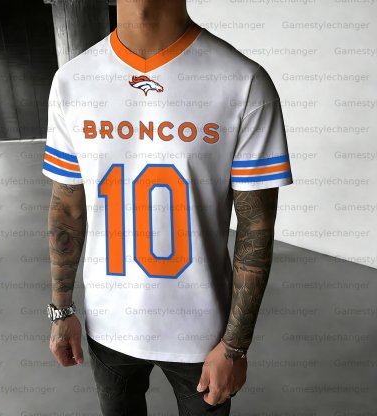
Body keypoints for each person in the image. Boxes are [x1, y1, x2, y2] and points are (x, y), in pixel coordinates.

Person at [43, 1, 293, 415]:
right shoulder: (72, 82)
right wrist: (61, 309)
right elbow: (66, 209)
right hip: (107, 326)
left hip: (204, 335)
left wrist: (235, 345)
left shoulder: (243, 82)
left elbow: (256, 226)